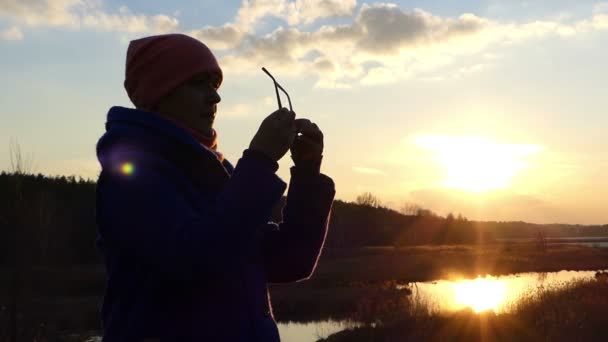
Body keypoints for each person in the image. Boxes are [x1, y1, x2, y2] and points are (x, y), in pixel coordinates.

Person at [94, 33, 335, 341]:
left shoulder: (215, 174)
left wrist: (307, 174)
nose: (215, 97)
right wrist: (260, 160)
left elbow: (290, 260)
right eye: (198, 83)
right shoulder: (128, 179)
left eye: (215, 84)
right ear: (160, 93)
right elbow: (199, 257)